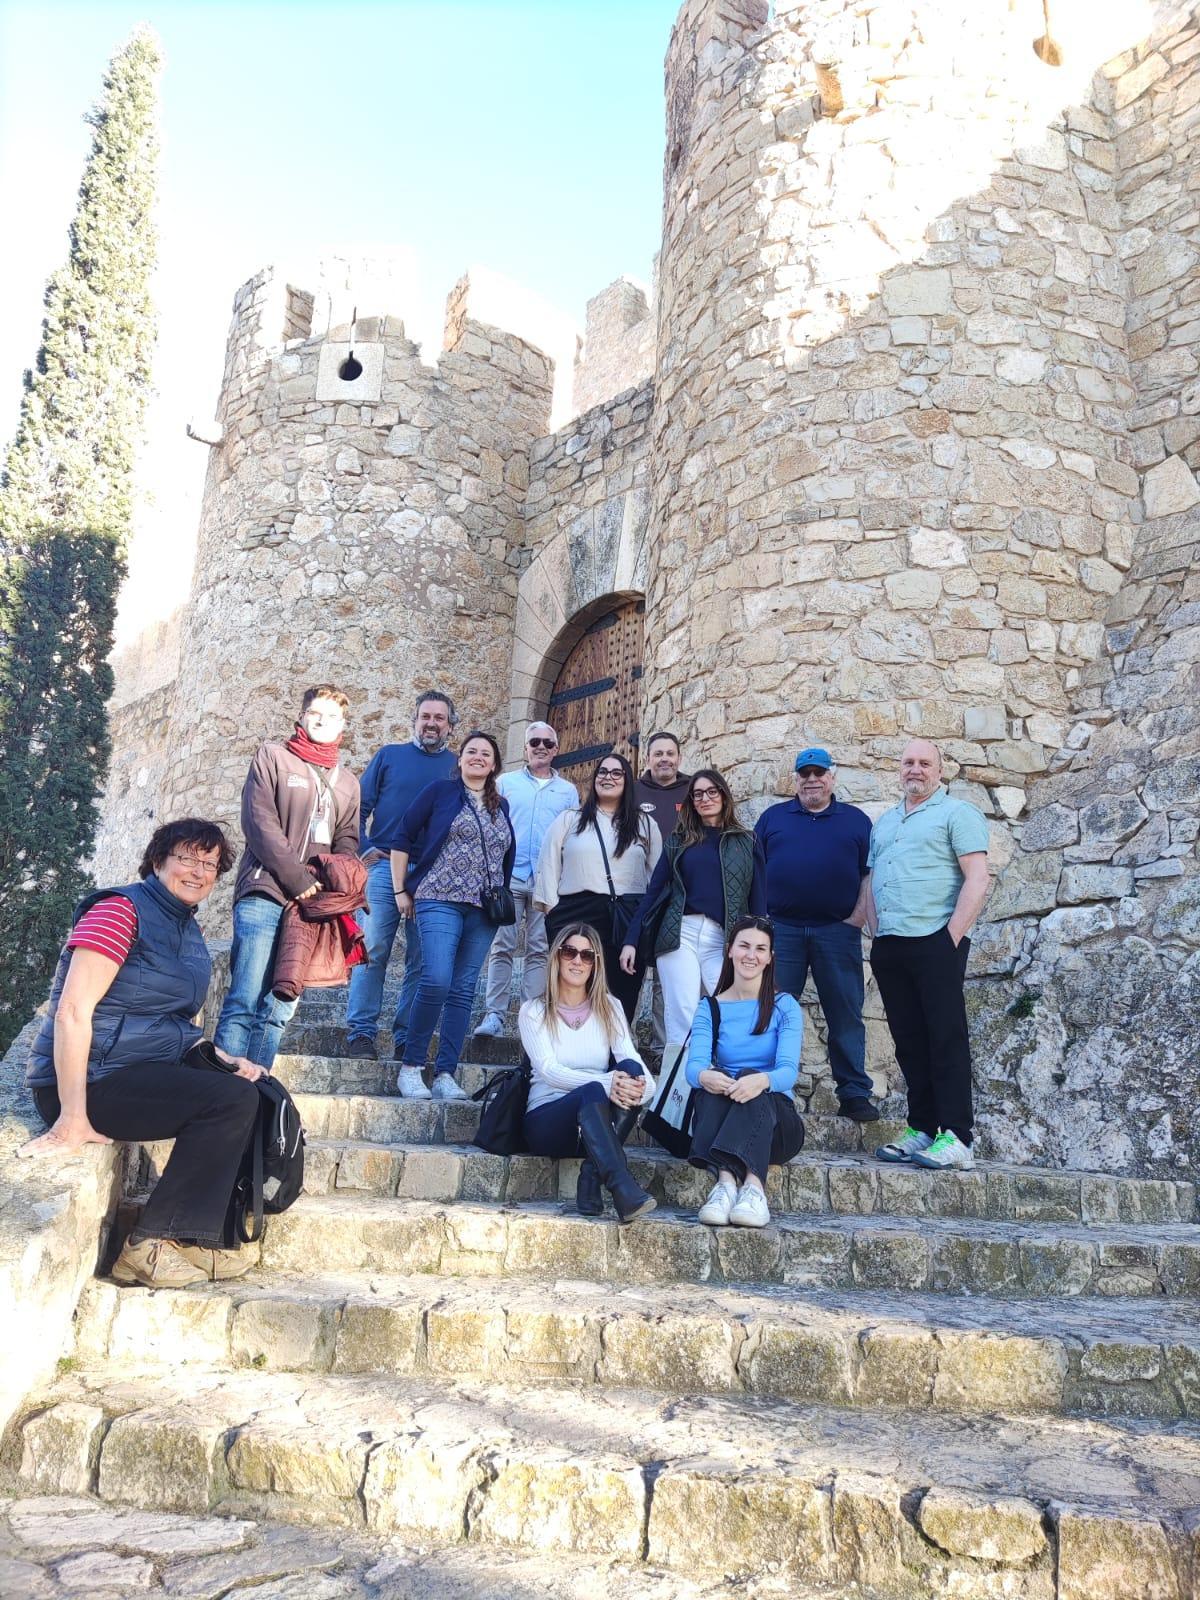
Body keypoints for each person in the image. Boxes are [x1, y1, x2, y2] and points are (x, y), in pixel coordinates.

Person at [19, 820, 263, 1289]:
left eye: (210, 864)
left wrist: (226, 1059)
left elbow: (169, 1022)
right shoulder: (119, 911)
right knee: (228, 1102)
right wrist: (72, 1116)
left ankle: (191, 1237)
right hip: (85, 1079)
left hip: (131, 1071)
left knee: (248, 1090)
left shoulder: (186, 932)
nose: (198, 872)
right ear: (158, 860)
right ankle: (148, 1246)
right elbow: (72, 1011)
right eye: (188, 858)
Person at [215, 685, 360, 1071]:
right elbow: (259, 822)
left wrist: (335, 880)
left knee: (280, 1006)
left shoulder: (348, 782)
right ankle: (219, 1094)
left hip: (311, 909)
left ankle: (255, 1097)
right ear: (301, 717)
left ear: (343, 725)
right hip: (266, 891)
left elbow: (347, 839)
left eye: (331, 716)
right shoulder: (273, 757)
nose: (322, 721)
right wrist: (297, 877)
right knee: (245, 999)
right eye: (316, 714)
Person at [866, 740, 990, 1171]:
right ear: (899, 770)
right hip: (891, 945)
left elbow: (977, 877)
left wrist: (950, 937)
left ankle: (957, 1137)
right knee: (909, 1041)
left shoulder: (958, 814)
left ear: (940, 771)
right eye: (908, 762)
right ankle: (922, 1127)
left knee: (945, 1037)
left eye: (924, 763)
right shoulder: (884, 824)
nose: (914, 769)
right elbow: (872, 881)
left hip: (936, 941)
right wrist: (876, 933)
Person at [391, 731, 516, 1100]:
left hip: (484, 909)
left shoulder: (501, 805)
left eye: (486, 754)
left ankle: (446, 1073)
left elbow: (503, 855)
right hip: (439, 898)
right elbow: (402, 838)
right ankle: (412, 1067)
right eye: (471, 752)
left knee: (462, 990)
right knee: (437, 979)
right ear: (459, 760)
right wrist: (401, 890)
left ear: (494, 765)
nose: (478, 757)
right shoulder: (438, 793)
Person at [754, 746, 877, 1122]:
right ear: (796, 779)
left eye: (818, 773)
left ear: (831, 777)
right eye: (805, 774)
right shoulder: (773, 818)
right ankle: (771, 1090)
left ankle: (854, 1094)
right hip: (782, 933)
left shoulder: (857, 821)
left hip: (836, 932)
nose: (812, 780)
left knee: (845, 1013)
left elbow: (869, 875)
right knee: (771, 1012)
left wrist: (856, 918)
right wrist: (762, 923)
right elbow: (755, 872)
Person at [343, 692, 459, 1059]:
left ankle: (406, 1037)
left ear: (449, 727)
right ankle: (361, 1033)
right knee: (373, 948)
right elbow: (357, 807)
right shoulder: (389, 756)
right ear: (415, 719)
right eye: (426, 716)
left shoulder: (457, 767)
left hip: (432, 875)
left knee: (421, 959)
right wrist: (363, 848)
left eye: (439, 718)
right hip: (382, 868)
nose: (431, 723)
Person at [620, 768, 766, 1050]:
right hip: (679, 934)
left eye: (712, 792)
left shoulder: (748, 841)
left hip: (723, 939)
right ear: (691, 801)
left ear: (724, 796)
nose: (705, 798)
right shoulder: (678, 840)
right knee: (682, 1016)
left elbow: (758, 901)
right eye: (698, 794)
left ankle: (724, 1082)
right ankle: (680, 1090)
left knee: (732, 1009)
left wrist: (760, 947)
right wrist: (631, 940)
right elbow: (653, 892)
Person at [520, 923, 656, 1222]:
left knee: (630, 1069)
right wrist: (606, 1083)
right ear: (556, 957)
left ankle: (591, 1176)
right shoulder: (534, 1010)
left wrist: (643, 1088)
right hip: (548, 1122)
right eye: (569, 952)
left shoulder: (610, 1007)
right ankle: (620, 1186)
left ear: (596, 964)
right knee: (595, 1089)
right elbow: (549, 1070)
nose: (577, 961)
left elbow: (633, 1062)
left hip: (594, 1129)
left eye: (587, 955)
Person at [685, 916, 804, 1229]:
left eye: (761, 949)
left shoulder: (785, 1006)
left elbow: (788, 1073)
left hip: (778, 1126)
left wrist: (760, 1080)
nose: (751, 955)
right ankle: (725, 1185)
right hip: (724, 1115)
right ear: (729, 951)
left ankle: (753, 1188)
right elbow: (694, 1067)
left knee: (750, 1075)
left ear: (770, 958)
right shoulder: (709, 1007)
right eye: (744, 946)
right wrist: (704, 1076)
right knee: (710, 1086)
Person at [534, 753, 661, 1024]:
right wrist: (551, 911)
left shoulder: (645, 824)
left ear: (627, 781)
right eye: (602, 772)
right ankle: (553, 1054)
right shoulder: (570, 820)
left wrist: (646, 920)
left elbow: (657, 876)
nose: (608, 777)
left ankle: (615, 1058)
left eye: (617, 773)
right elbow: (548, 864)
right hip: (575, 912)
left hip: (626, 915)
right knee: (568, 989)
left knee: (621, 993)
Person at [474, 721, 577, 1038]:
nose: (541, 748)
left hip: (547, 881)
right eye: (535, 743)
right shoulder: (505, 784)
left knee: (539, 949)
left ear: (556, 749)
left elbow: (571, 836)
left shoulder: (568, 791)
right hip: (509, 877)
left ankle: (529, 1015)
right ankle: (494, 1013)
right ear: (525, 748)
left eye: (548, 743)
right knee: (502, 946)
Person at [634, 730, 693, 1048]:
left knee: (665, 973)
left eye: (670, 753)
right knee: (628, 969)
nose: (665, 759)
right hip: (638, 893)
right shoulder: (633, 791)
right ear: (648, 758)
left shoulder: (692, 790)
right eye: (658, 753)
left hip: (679, 897)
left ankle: (661, 1046)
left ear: (679, 758)